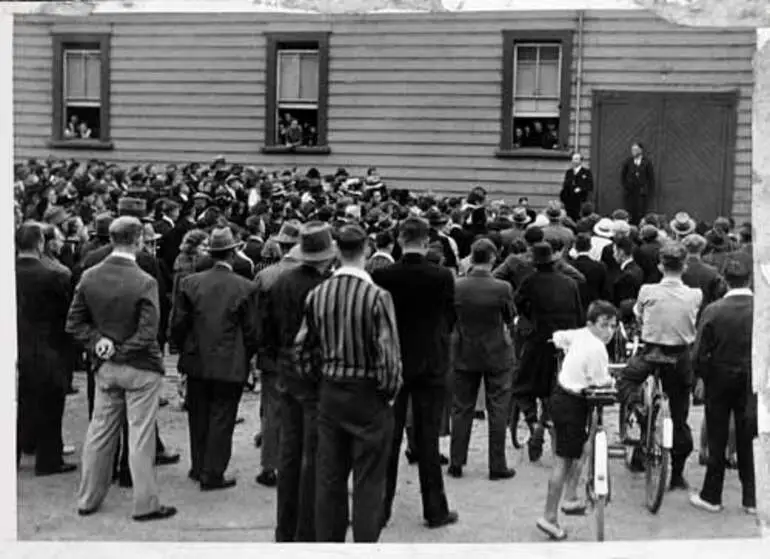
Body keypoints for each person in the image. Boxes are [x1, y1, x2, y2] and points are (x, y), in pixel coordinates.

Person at [294, 224, 402, 542]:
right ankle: (366, 545)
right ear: (366, 249)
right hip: (368, 393)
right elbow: (389, 355)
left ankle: (330, 545)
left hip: (330, 389)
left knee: (330, 480)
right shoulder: (377, 296)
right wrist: (389, 392)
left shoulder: (318, 295)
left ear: (337, 252)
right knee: (369, 482)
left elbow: (302, 349)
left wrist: (317, 384)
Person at [66, 216, 177, 521]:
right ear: (139, 239)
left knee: (99, 433)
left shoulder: (89, 275)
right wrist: (121, 351)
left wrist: (100, 344)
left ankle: (88, 498)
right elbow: (148, 332)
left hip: (105, 368)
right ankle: (146, 504)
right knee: (140, 436)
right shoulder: (145, 281)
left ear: (111, 238)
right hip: (141, 368)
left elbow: (74, 323)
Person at [373, 215, 459, 530]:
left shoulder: (383, 276)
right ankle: (435, 509)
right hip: (431, 363)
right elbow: (450, 317)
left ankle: (380, 509)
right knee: (427, 440)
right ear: (426, 242)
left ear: (399, 240)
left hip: (394, 362)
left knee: (389, 439)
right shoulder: (441, 276)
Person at [169, 227, 259, 490]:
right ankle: (213, 472)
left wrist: (183, 348)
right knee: (223, 416)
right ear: (233, 254)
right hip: (229, 361)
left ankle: (199, 466)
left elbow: (178, 323)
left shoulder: (190, 283)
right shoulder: (245, 287)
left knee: (198, 415)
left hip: (196, 359)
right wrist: (248, 357)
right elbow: (253, 332)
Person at [265, 221, 336, 542]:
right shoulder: (324, 289)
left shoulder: (280, 282)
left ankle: (285, 528)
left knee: (289, 452)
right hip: (314, 376)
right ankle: (306, 530)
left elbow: (265, 329)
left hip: (284, 370)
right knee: (313, 454)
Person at [616, 242, 702, 488]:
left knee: (627, 380)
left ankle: (638, 411)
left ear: (660, 266)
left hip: (651, 353)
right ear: (684, 266)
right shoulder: (695, 295)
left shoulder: (647, 290)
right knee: (680, 413)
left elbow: (639, 315)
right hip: (679, 357)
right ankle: (677, 474)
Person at [536, 300, 618, 541]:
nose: (609, 332)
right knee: (563, 460)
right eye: (604, 325)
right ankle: (549, 517)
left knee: (577, 450)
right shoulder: (597, 349)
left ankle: (570, 498)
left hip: (562, 396)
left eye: (613, 326)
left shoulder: (580, 335)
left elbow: (559, 336)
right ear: (591, 323)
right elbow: (601, 381)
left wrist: (560, 343)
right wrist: (612, 382)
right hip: (573, 403)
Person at [689, 254, 756, 515]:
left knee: (717, 437)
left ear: (725, 281)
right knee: (749, 437)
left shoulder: (713, 310)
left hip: (719, 378)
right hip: (751, 380)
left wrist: (702, 377)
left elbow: (698, 353)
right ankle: (752, 498)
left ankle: (711, 495)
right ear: (749, 278)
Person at [448, 239, 516, 480]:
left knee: (461, 407)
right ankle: (497, 464)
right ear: (492, 258)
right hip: (496, 351)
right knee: (498, 409)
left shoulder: (456, 285)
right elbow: (510, 317)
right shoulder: (502, 288)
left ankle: (456, 460)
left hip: (465, 350)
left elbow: (450, 317)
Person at [513, 242, 585, 462]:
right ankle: (546, 423)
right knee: (555, 389)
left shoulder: (530, 282)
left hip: (540, 340)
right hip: (566, 344)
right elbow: (579, 314)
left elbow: (519, 304)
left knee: (521, 386)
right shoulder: (569, 283)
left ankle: (534, 421)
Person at [16, 221, 77, 476]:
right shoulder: (54, 275)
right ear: (40, 243)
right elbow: (66, 314)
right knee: (51, 404)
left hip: (21, 344)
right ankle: (49, 459)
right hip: (50, 346)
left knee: (24, 402)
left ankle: (20, 449)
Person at [253, 221, 301, 487]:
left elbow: (257, 320)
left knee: (271, 411)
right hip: (302, 355)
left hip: (272, 353)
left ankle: (269, 465)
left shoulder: (266, 276)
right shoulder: (313, 276)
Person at [620, 142, 655, 224]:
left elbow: (651, 178)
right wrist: (626, 186)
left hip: (641, 193)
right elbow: (623, 175)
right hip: (630, 192)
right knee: (629, 213)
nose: (633, 151)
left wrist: (648, 190)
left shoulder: (647, 162)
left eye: (635, 149)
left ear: (641, 150)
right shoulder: (628, 161)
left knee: (640, 213)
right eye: (632, 149)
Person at [560, 152, 594, 222]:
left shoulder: (586, 172)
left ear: (580, 161)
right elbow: (565, 185)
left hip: (581, 201)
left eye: (576, 159)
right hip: (569, 202)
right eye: (573, 159)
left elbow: (590, 186)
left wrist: (581, 189)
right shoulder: (569, 172)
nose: (574, 161)